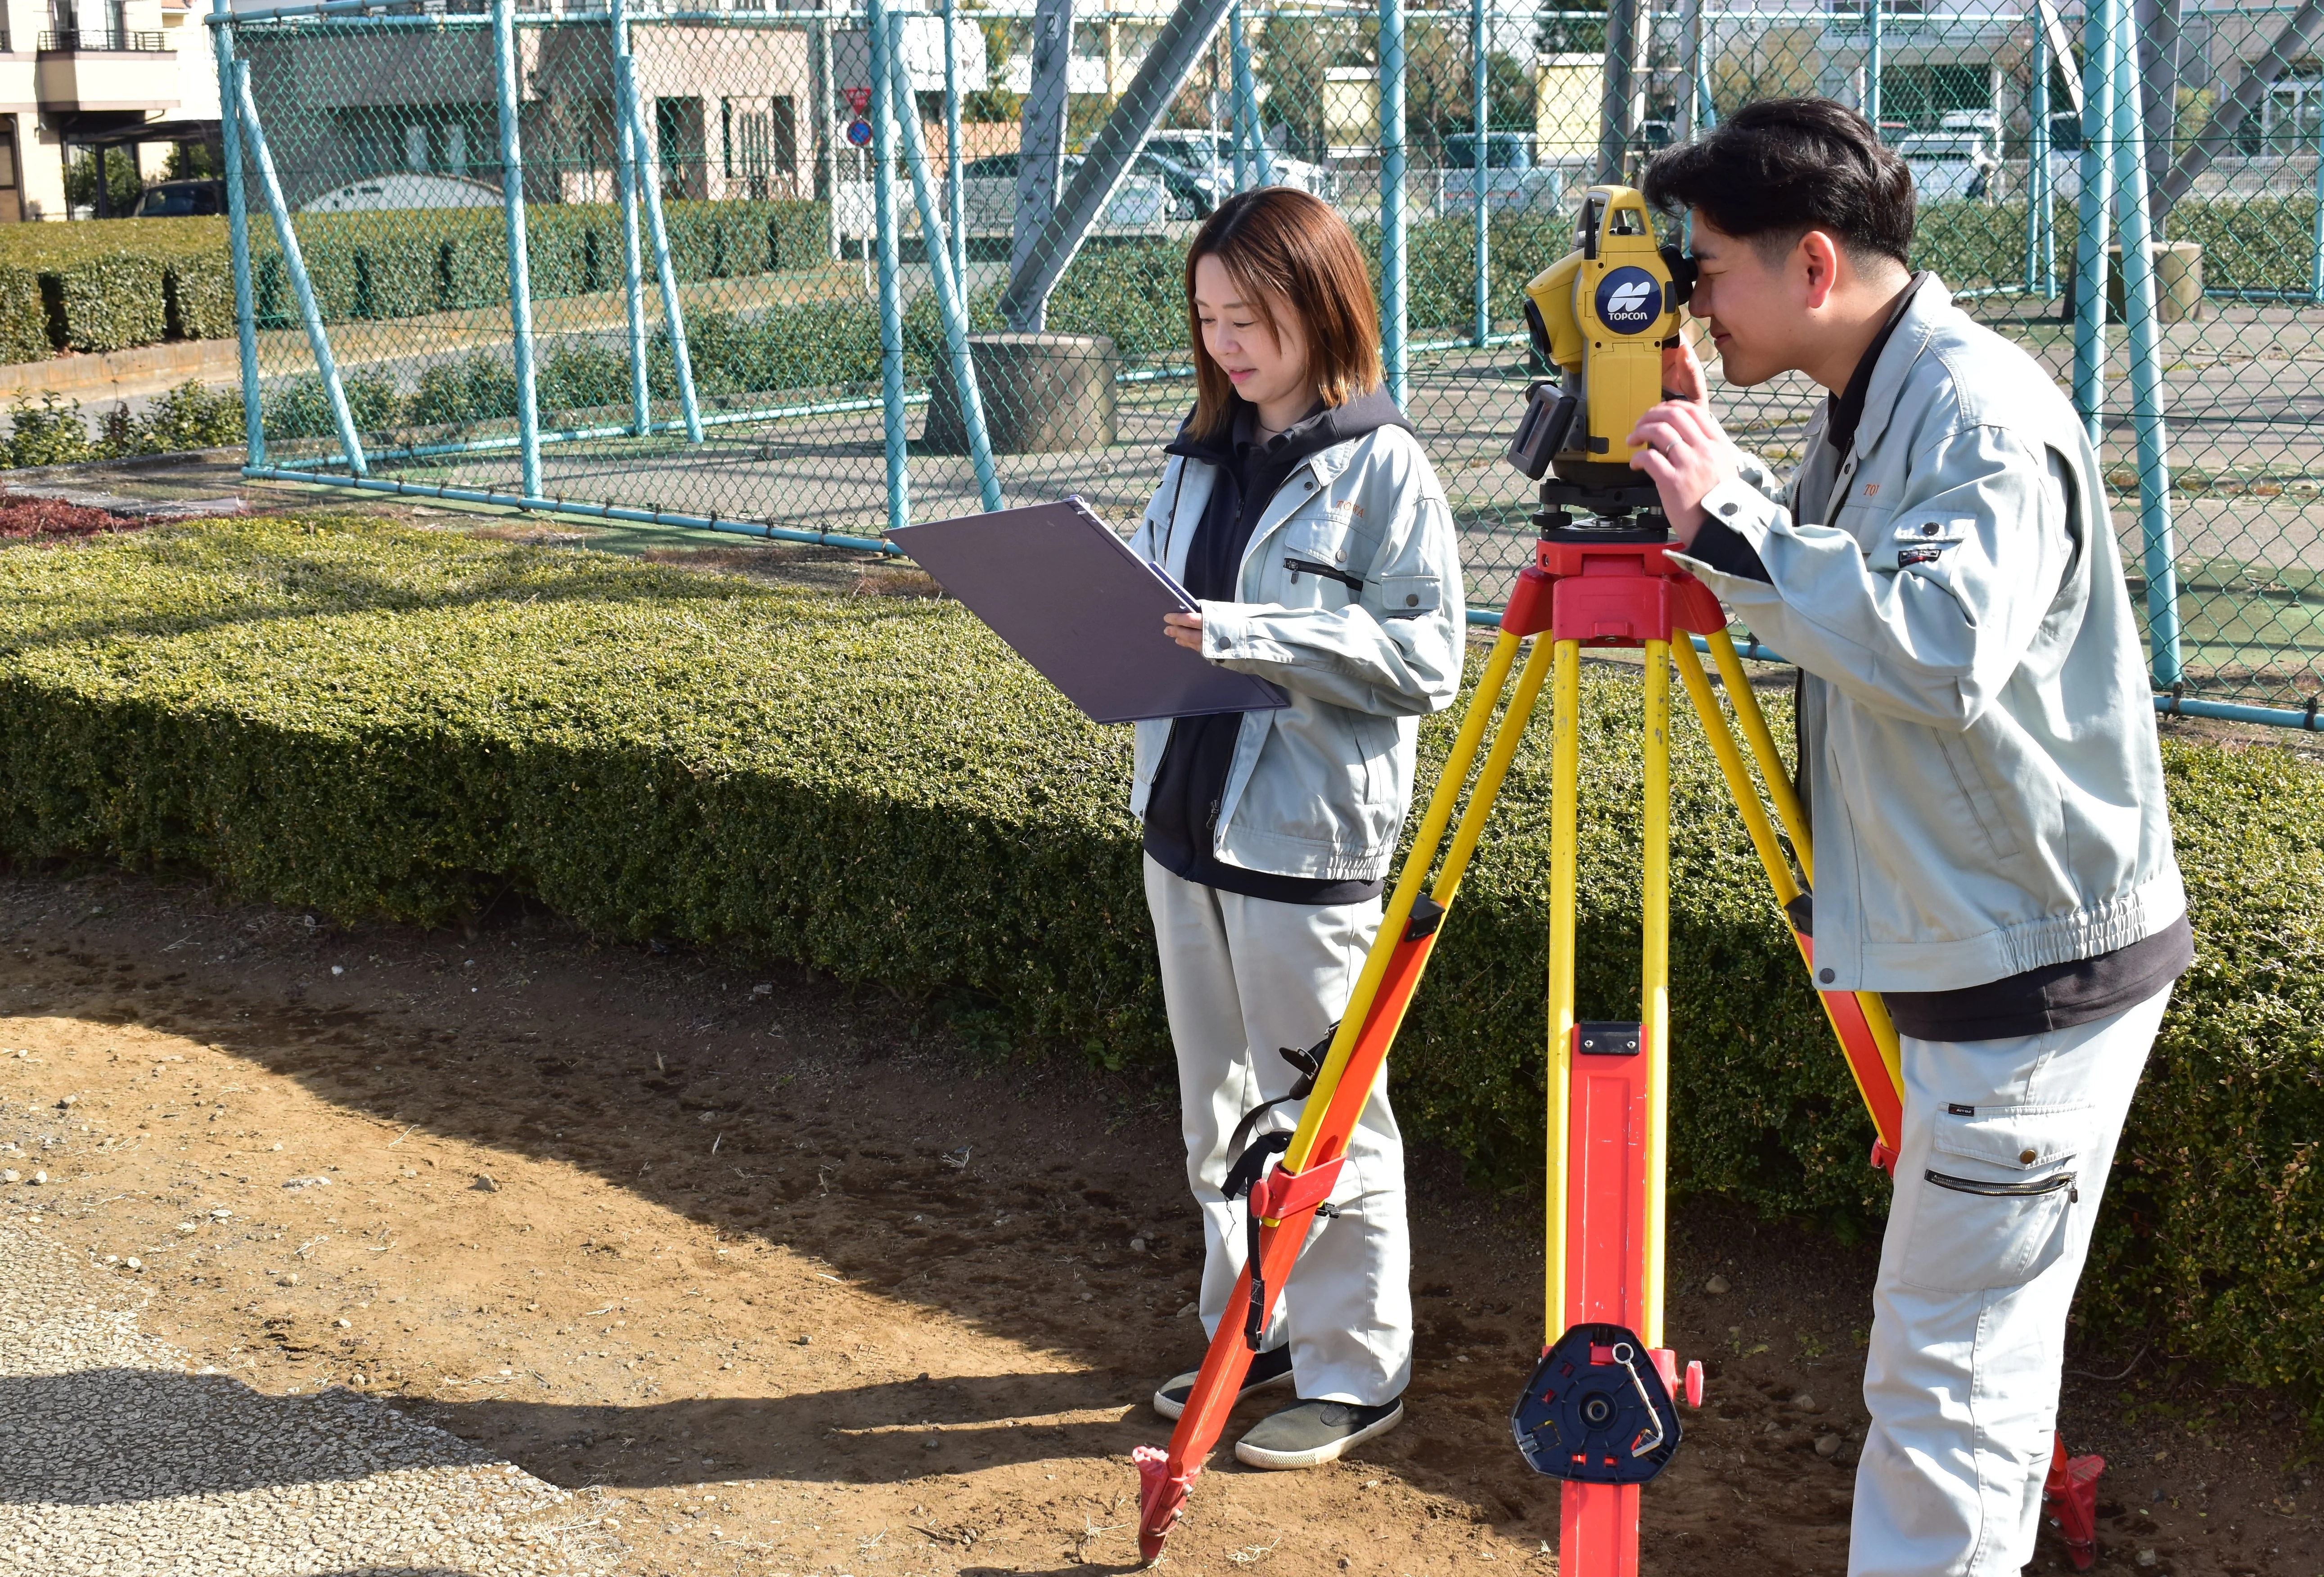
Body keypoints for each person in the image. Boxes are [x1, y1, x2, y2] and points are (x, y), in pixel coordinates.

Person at [1628, 99, 2190, 1577]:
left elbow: (1937, 650)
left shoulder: (1973, 410)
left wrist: (1732, 517)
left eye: (1706, 273)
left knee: (1944, 1381)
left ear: (1810, 264)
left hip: (2030, 966)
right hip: (1981, 939)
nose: (1692, 302)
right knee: (1963, 1363)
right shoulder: (1869, 394)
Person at [1125, 185, 1465, 1470]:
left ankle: (1351, 1369)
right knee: (1214, 1110)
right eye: (1208, 316)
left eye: (1248, 314)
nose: (1224, 341)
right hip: (1183, 824)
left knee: (1322, 1115)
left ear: (1319, 307)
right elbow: (1161, 610)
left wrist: (1249, 632)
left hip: (1305, 844)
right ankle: (1245, 1331)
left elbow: (1428, 655)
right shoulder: (1193, 455)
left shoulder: (1384, 468)